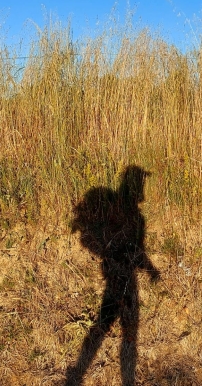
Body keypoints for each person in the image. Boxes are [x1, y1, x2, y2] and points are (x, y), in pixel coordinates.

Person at [65, 165, 160, 386]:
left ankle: (78, 377)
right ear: (132, 184)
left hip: (125, 276)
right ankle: (79, 376)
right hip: (118, 275)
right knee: (116, 329)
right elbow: (94, 239)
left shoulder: (135, 215)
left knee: (114, 328)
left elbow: (137, 248)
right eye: (140, 183)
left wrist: (150, 269)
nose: (142, 188)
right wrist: (112, 255)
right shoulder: (123, 210)